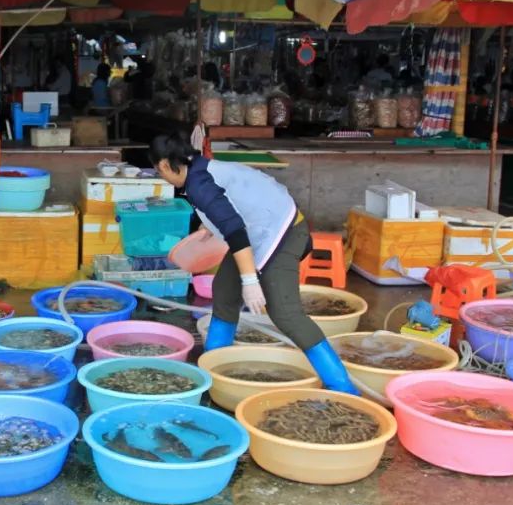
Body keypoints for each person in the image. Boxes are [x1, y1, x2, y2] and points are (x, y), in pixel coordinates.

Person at [148, 133, 357, 394]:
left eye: (159, 171)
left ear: (166, 165)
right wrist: (210, 225)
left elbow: (235, 231)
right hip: (257, 231)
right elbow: (229, 207)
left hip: (282, 232)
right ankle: (214, 367)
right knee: (224, 291)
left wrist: (250, 282)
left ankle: (343, 386)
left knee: (285, 313)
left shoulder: (200, 183)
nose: (161, 176)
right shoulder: (199, 170)